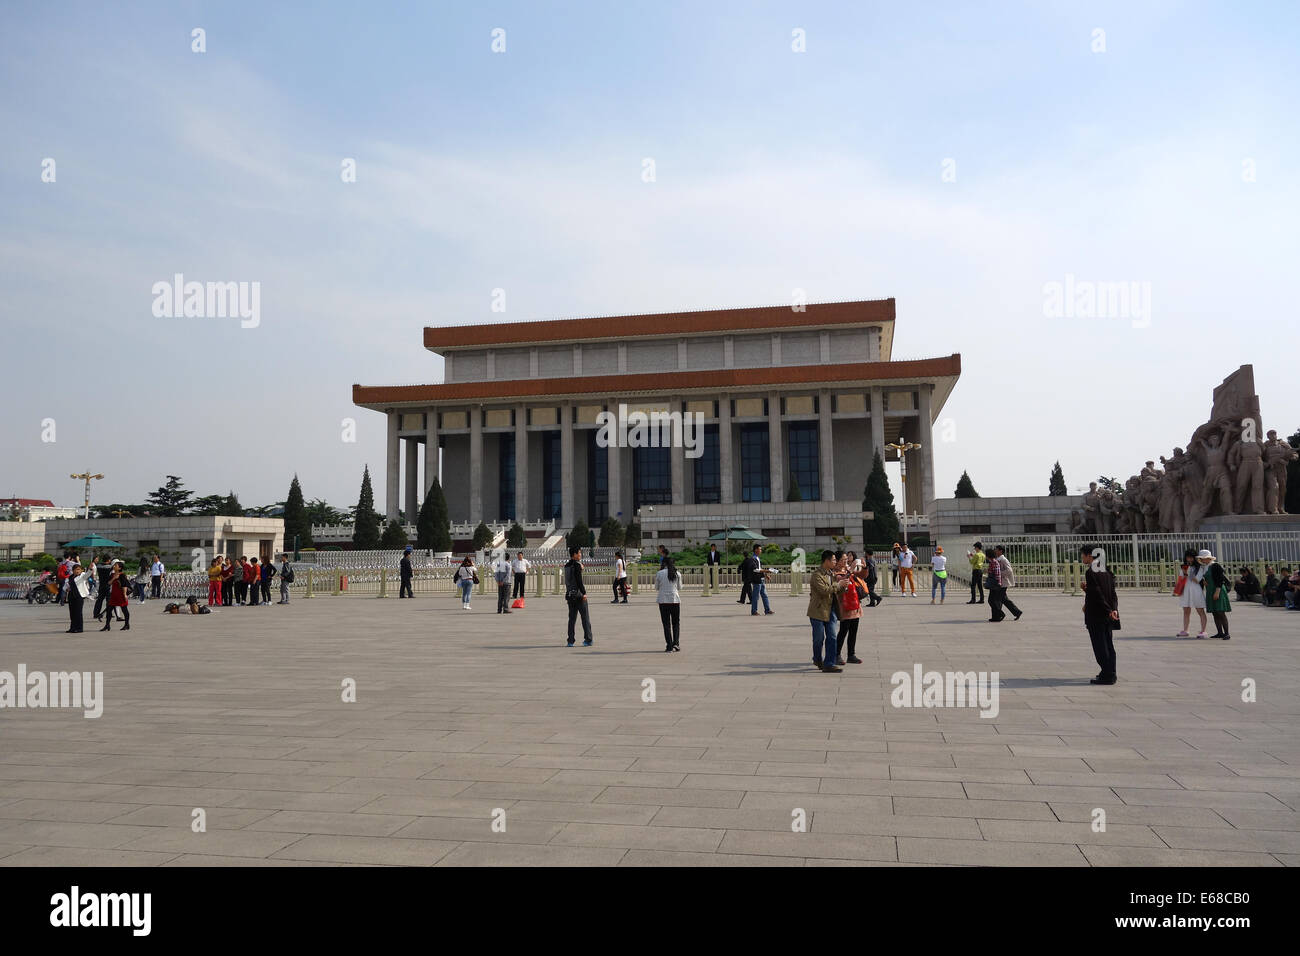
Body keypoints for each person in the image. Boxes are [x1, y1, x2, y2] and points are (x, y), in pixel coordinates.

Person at [1080, 545, 1118, 684]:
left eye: (1083, 555)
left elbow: (1097, 594)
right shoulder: (1106, 570)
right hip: (1108, 614)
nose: (1082, 558)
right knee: (1108, 644)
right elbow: (1111, 593)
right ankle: (1110, 672)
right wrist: (1113, 609)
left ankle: (1108, 675)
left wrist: (1108, 610)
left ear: (1090, 556)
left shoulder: (1091, 572)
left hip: (1097, 614)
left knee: (1100, 645)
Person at [808, 550, 845, 672]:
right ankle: (817, 658)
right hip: (818, 611)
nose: (835, 562)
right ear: (827, 561)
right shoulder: (816, 575)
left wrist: (843, 587)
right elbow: (824, 590)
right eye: (834, 560)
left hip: (831, 610)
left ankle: (829, 663)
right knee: (818, 639)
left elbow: (835, 591)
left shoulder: (832, 574)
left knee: (832, 637)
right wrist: (838, 585)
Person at [563, 545, 594, 646]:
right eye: (579, 553)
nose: (580, 555)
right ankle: (588, 639)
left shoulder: (567, 565)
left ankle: (570, 641)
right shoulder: (577, 565)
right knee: (585, 618)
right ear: (574, 554)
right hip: (579, 595)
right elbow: (579, 581)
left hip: (570, 595)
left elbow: (569, 579)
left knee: (572, 619)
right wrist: (584, 592)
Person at [1199, 550, 1232, 639]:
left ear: (1208, 558)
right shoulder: (1205, 567)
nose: (1202, 560)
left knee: (1220, 612)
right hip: (1210, 590)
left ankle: (1227, 633)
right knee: (1215, 612)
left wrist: (1217, 591)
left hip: (1218, 590)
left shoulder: (1215, 566)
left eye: (1203, 559)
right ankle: (1220, 632)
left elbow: (1220, 580)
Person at [1176, 548, 1208, 637]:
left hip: (1195, 590)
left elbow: (1197, 580)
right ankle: (1185, 630)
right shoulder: (1184, 567)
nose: (1189, 560)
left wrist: (1187, 573)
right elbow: (1181, 579)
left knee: (1200, 610)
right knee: (1186, 610)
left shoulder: (1200, 567)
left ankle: (1203, 631)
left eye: (1191, 558)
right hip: (1185, 590)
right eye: (1187, 558)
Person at [837, 564, 865, 664]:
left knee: (853, 631)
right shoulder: (837, 573)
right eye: (842, 560)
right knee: (843, 631)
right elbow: (842, 580)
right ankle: (837, 654)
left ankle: (851, 654)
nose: (845, 562)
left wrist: (865, 568)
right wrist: (850, 572)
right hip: (845, 606)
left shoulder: (849, 571)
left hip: (855, 605)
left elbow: (863, 575)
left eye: (846, 560)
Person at [655, 555, 682, 651]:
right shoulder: (677, 573)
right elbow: (679, 588)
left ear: (664, 564)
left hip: (663, 601)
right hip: (674, 600)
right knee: (676, 623)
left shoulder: (659, 573)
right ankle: (676, 643)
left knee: (666, 624)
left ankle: (669, 645)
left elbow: (656, 587)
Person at [100, 561, 131, 632]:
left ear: (120, 568)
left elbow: (124, 585)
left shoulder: (122, 575)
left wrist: (125, 594)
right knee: (109, 610)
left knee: (124, 610)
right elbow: (109, 583)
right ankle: (107, 625)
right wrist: (114, 578)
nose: (114, 566)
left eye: (116, 565)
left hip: (121, 595)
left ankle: (127, 624)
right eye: (114, 565)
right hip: (114, 595)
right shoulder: (113, 574)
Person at [993, 546, 1022, 621]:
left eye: (996, 550)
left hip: (1003, 582)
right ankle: (1017, 612)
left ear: (1001, 551)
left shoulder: (1003, 560)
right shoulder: (998, 559)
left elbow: (1009, 570)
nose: (995, 551)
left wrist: (999, 573)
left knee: (998, 599)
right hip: (1000, 582)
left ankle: (998, 615)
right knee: (1004, 600)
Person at [747, 544, 773, 615]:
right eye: (760, 549)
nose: (761, 550)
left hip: (761, 579)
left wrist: (766, 575)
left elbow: (760, 568)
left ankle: (767, 610)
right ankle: (754, 611)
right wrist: (766, 571)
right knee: (756, 596)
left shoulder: (757, 558)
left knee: (764, 595)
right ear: (756, 550)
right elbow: (755, 570)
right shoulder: (752, 559)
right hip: (756, 580)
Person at [66, 560, 89, 634]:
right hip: (71, 596)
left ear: (81, 570)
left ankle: (79, 628)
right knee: (72, 613)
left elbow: (87, 575)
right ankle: (72, 628)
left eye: (79, 569)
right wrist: (66, 588)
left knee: (78, 613)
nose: (77, 571)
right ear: (73, 570)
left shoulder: (82, 576)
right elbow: (66, 586)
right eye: (76, 569)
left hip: (79, 596)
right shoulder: (70, 577)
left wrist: (91, 569)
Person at [92, 554, 113, 621]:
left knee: (99, 600)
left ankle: (95, 613)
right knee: (108, 600)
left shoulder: (98, 566)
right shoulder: (110, 567)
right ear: (109, 560)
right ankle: (108, 613)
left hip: (101, 584)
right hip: (108, 584)